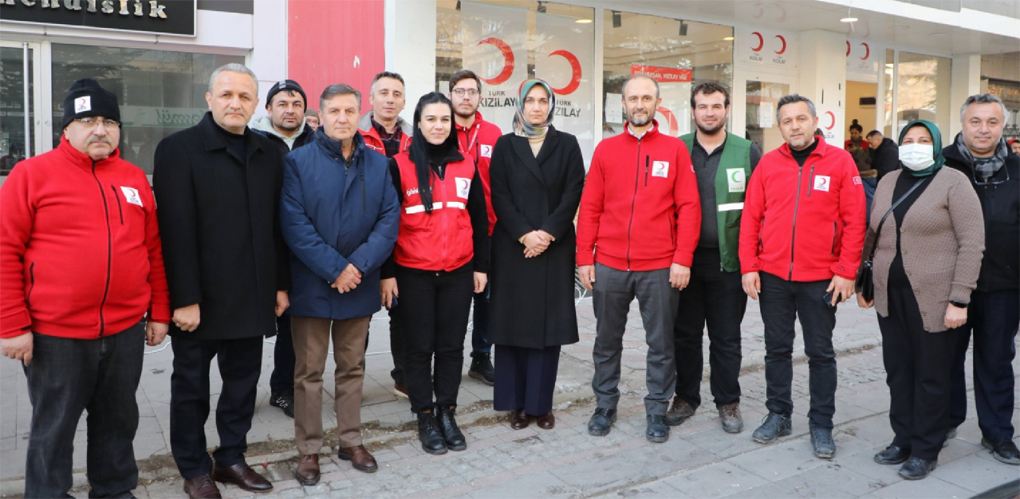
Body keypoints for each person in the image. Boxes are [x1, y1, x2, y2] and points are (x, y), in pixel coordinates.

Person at [0, 78, 171, 499]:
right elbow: (5, 250)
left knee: (118, 420)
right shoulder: (30, 175)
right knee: (53, 428)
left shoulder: (132, 178)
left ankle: (114, 490)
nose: (100, 130)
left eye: (109, 121)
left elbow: (152, 249)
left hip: (125, 330)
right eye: (88, 120)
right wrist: (11, 323)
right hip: (54, 334)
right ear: (67, 128)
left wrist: (161, 312)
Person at [154, 64, 290, 499]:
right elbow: (174, 230)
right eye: (227, 94)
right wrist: (184, 298)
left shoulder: (270, 152)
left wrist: (280, 285)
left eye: (245, 96)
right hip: (199, 301)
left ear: (256, 105)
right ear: (209, 99)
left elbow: (277, 228)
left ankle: (231, 457)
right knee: (191, 389)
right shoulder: (178, 149)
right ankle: (194, 468)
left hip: (251, 295)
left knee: (242, 387)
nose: (236, 103)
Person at [281, 83, 400, 483]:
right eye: (335, 111)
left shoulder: (379, 165)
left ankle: (350, 440)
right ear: (322, 115)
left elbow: (389, 220)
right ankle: (309, 450)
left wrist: (359, 266)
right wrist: (335, 268)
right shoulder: (298, 163)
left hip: (360, 284)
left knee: (353, 368)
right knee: (308, 372)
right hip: (314, 284)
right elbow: (294, 225)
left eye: (350, 111)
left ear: (359, 114)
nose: (343, 119)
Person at [738, 94, 865, 459]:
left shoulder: (840, 161)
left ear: (814, 121)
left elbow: (856, 222)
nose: (795, 126)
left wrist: (846, 271)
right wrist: (749, 265)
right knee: (776, 349)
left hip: (821, 278)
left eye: (801, 119)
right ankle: (778, 414)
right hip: (774, 276)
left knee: (820, 352)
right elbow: (751, 218)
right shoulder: (767, 165)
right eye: (787, 120)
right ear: (780, 127)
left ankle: (821, 424)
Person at [576, 74, 701, 443]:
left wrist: (683, 259)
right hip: (610, 264)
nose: (639, 104)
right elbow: (591, 207)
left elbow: (690, 208)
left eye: (646, 97)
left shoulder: (675, 150)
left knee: (661, 344)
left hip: (660, 266)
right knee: (606, 341)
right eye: (633, 98)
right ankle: (604, 405)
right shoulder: (606, 150)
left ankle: (656, 410)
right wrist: (585, 258)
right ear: (623, 104)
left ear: (657, 103)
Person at [858, 120, 984, 480]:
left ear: (936, 144)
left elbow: (972, 243)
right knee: (898, 371)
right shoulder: (887, 181)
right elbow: (873, 234)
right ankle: (902, 438)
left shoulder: (954, 182)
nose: (915, 146)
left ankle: (926, 448)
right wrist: (863, 286)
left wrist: (959, 299)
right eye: (908, 140)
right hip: (889, 295)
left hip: (935, 297)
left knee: (931, 374)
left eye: (924, 140)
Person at [380, 92, 489, 455]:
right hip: (413, 273)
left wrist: (481, 266)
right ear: (420, 123)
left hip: (458, 271)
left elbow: (478, 220)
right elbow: (386, 223)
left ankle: (447, 412)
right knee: (419, 348)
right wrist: (387, 273)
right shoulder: (398, 165)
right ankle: (424, 415)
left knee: (450, 348)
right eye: (431, 119)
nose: (439, 126)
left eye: (444, 119)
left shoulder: (467, 163)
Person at [488, 78, 585, 430]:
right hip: (513, 248)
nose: (536, 107)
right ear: (520, 104)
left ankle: (540, 405)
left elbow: (574, 191)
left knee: (547, 330)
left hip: (553, 248)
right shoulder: (504, 145)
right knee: (512, 326)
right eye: (530, 100)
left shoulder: (567, 144)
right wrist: (525, 235)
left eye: (543, 100)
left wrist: (545, 234)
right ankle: (515, 404)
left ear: (551, 106)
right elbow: (499, 195)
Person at [669, 82, 761, 433]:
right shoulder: (676, 149)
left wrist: (752, 263)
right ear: (692, 111)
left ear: (726, 110)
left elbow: (759, 209)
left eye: (716, 106)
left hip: (729, 263)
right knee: (685, 334)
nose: (709, 112)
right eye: (702, 106)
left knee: (726, 336)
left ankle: (728, 401)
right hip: (684, 262)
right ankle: (686, 397)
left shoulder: (747, 151)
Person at [944, 93, 1020, 466]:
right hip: (950, 285)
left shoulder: (1018, 170)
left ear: (1001, 126)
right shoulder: (942, 165)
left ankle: (998, 434)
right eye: (976, 121)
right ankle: (945, 422)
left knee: (996, 361)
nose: (983, 129)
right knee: (945, 359)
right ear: (963, 123)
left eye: (992, 122)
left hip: (1004, 286)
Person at [251, 79, 316, 419]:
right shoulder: (253, 141)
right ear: (268, 109)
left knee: (293, 325)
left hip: (300, 248)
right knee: (249, 325)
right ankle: (242, 391)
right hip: (260, 244)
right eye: (282, 103)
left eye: (296, 104)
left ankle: (283, 388)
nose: (289, 110)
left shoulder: (316, 141)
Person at [359, 70, 413, 397]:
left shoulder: (415, 137)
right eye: (383, 93)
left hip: (404, 236)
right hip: (363, 240)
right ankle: (351, 385)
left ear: (404, 100)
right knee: (359, 319)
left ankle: (404, 378)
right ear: (372, 98)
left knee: (403, 315)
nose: (390, 99)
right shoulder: (355, 132)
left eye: (396, 93)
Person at [449, 69, 503, 385]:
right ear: (451, 95)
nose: (466, 96)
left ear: (480, 96)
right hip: (453, 231)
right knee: (455, 300)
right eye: (460, 91)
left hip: (491, 232)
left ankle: (481, 358)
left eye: (471, 91)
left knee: (487, 300)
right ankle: (448, 359)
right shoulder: (440, 129)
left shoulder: (494, 134)